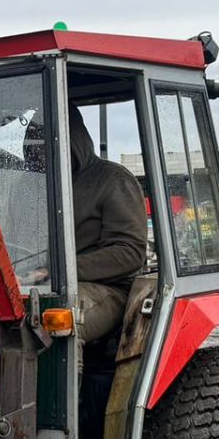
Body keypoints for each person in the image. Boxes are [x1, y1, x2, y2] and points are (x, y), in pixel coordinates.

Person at [68, 114, 147, 343]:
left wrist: (60, 271)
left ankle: (65, 378)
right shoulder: (31, 186)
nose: (37, 153)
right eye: (32, 144)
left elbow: (129, 252)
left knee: (59, 319)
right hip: (36, 283)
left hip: (106, 287)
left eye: (42, 142)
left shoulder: (112, 180)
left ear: (70, 139)